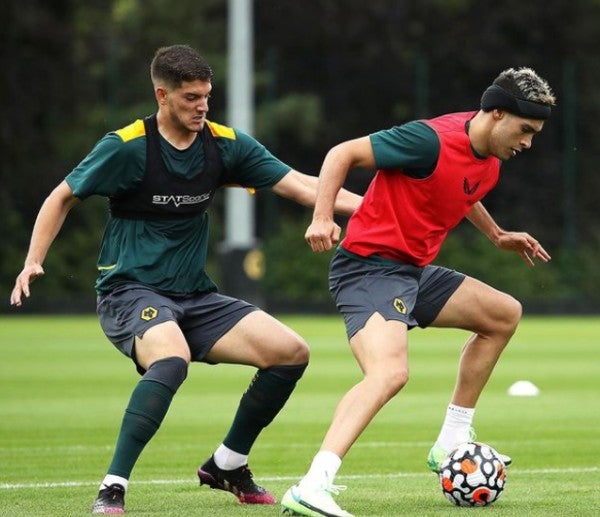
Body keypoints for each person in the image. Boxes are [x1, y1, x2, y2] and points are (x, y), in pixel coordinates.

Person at [10, 44, 362, 515]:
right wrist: (34, 259)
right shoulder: (127, 146)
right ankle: (112, 487)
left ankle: (227, 464)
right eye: (191, 97)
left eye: (207, 97)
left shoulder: (225, 143)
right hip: (129, 292)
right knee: (171, 358)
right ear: (162, 95)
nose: (202, 106)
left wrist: (380, 209)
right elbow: (61, 197)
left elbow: (300, 184)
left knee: (290, 353)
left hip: (194, 296)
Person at [281, 67, 556, 517]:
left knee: (503, 314)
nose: (527, 142)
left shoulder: (489, 163)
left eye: (535, 134)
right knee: (389, 373)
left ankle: (450, 440)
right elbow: (340, 153)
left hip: (412, 272)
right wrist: (322, 216)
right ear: (496, 113)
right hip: (367, 268)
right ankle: (313, 484)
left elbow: (461, 191)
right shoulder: (426, 140)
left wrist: (496, 235)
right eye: (525, 129)